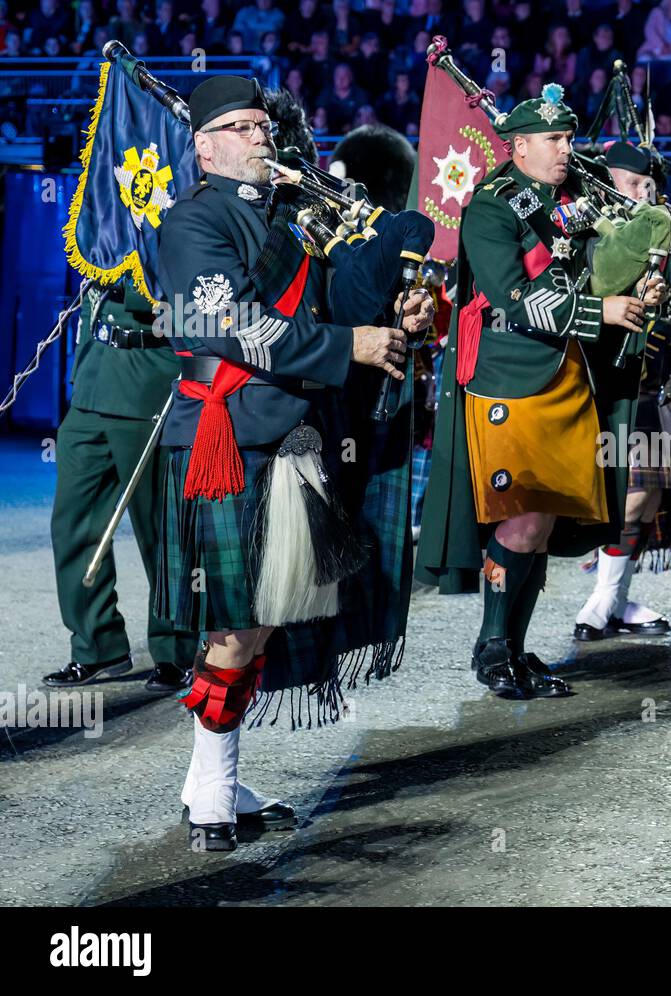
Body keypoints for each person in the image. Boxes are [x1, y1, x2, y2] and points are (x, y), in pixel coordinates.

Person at [153, 76, 430, 852]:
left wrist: (392, 312)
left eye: (261, 123)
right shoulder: (192, 221)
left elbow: (334, 305)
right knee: (238, 623)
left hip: (296, 431)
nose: (258, 135)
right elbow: (231, 325)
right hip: (228, 435)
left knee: (270, 615)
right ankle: (211, 793)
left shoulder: (298, 218)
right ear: (205, 147)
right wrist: (351, 347)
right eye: (238, 128)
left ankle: (215, 772)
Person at [414, 86, 664, 699]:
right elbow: (512, 298)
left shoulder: (571, 199)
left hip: (568, 377)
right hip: (510, 374)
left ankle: (517, 649)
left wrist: (640, 286)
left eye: (569, 138)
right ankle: (492, 647)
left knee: (543, 522)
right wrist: (600, 309)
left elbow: (593, 266)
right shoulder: (492, 208)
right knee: (520, 518)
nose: (565, 149)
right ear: (518, 146)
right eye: (552, 140)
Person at [574, 142, 671, 640]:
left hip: (665, 383)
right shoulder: (591, 230)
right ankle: (600, 600)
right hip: (613, 381)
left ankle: (616, 599)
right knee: (632, 492)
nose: (645, 192)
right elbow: (598, 306)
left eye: (649, 184)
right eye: (633, 183)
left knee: (653, 492)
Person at [42, 276, 198, 694]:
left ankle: (175, 649)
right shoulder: (103, 215)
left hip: (150, 378)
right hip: (95, 380)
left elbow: (186, 291)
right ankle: (97, 644)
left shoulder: (174, 212)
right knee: (73, 522)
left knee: (160, 530)